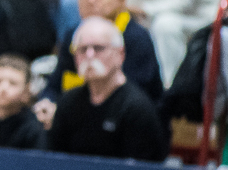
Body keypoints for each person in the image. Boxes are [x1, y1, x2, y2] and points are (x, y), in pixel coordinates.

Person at [34, 0, 162, 128]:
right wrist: (47, 103)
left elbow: (131, 97)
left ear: (122, 0)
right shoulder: (74, 34)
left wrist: (66, 113)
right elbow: (56, 83)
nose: (91, 0)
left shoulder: (136, 38)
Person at [45, 17, 168, 162]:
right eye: (82, 49)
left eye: (98, 48)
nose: (89, 55)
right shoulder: (67, 103)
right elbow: (54, 162)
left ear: (120, 54)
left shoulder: (137, 110)